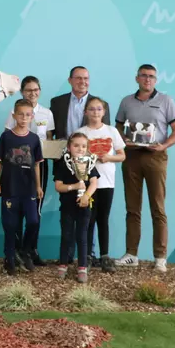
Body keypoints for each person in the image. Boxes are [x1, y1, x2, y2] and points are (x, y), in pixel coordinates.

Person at [114, 64, 175, 273]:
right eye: (144, 76)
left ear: (156, 80)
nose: (147, 79)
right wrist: (123, 140)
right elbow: (117, 127)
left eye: (151, 76)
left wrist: (164, 145)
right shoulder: (126, 101)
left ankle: (160, 257)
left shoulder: (166, 101)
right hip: (132, 157)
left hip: (156, 157)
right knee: (132, 208)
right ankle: (131, 254)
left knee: (157, 208)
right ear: (137, 78)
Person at [49, 66, 110, 264]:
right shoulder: (56, 103)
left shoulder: (99, 105)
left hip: (90, 164)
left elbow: (104, 134)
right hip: (64, 163)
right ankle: (66, 258)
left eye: (86, 78)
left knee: (88, 210)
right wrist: (52, 154)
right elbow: (52, 134)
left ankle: (87, 256)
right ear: (70, 80)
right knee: (66, 210)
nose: (82, 82)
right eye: (78, 78)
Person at [4, 76, 54, 267]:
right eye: (28, 90)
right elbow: (8, 139)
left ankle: (30, 249)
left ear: (40, 91)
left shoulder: (47, 113)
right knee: (15, 210)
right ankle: (15, 250)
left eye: (36, 90)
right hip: (17, 167)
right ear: (22, 92)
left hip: (39, 165)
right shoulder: (14, 113)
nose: (32, 93)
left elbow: (49, 139)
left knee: (36, 210)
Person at [0, 99, 45, 275]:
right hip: (9, 188)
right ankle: (9, 258)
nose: (24, 118)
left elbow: (37, 164)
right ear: (14, 115)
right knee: (10, 225)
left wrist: (38, 186)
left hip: (29, 188)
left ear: (32, 117)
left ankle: (24, 250)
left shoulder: (34, 139)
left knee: (33, 221)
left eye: (28, 115)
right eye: (20, 114)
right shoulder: (6, 137)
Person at [75, 96, 125, 273]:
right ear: (85, 112)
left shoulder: (111, 131)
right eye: (92, 109)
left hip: (107, 182)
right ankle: (87, 255)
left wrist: (108, 157)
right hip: (88, 184)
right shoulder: (81, 132)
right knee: (88, 219)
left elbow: (122, 155)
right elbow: (75, 156)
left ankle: (104, 255)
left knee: (103, 219)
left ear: (104, 112)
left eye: (98, 109)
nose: (95, 112)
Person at [53, 132, 100, 283]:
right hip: (67, 207)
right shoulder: (63, 163)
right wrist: (74, 186)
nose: (80, 149)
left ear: (87, 149)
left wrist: (86, 196)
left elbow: (94, 183)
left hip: (84, 206)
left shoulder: (90, 163)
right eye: (76, 145)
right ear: (69, 147)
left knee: (82, 236)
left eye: (83, 146)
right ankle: (63, 264)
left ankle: (82, 267)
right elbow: (58, 186)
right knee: (66, 236)